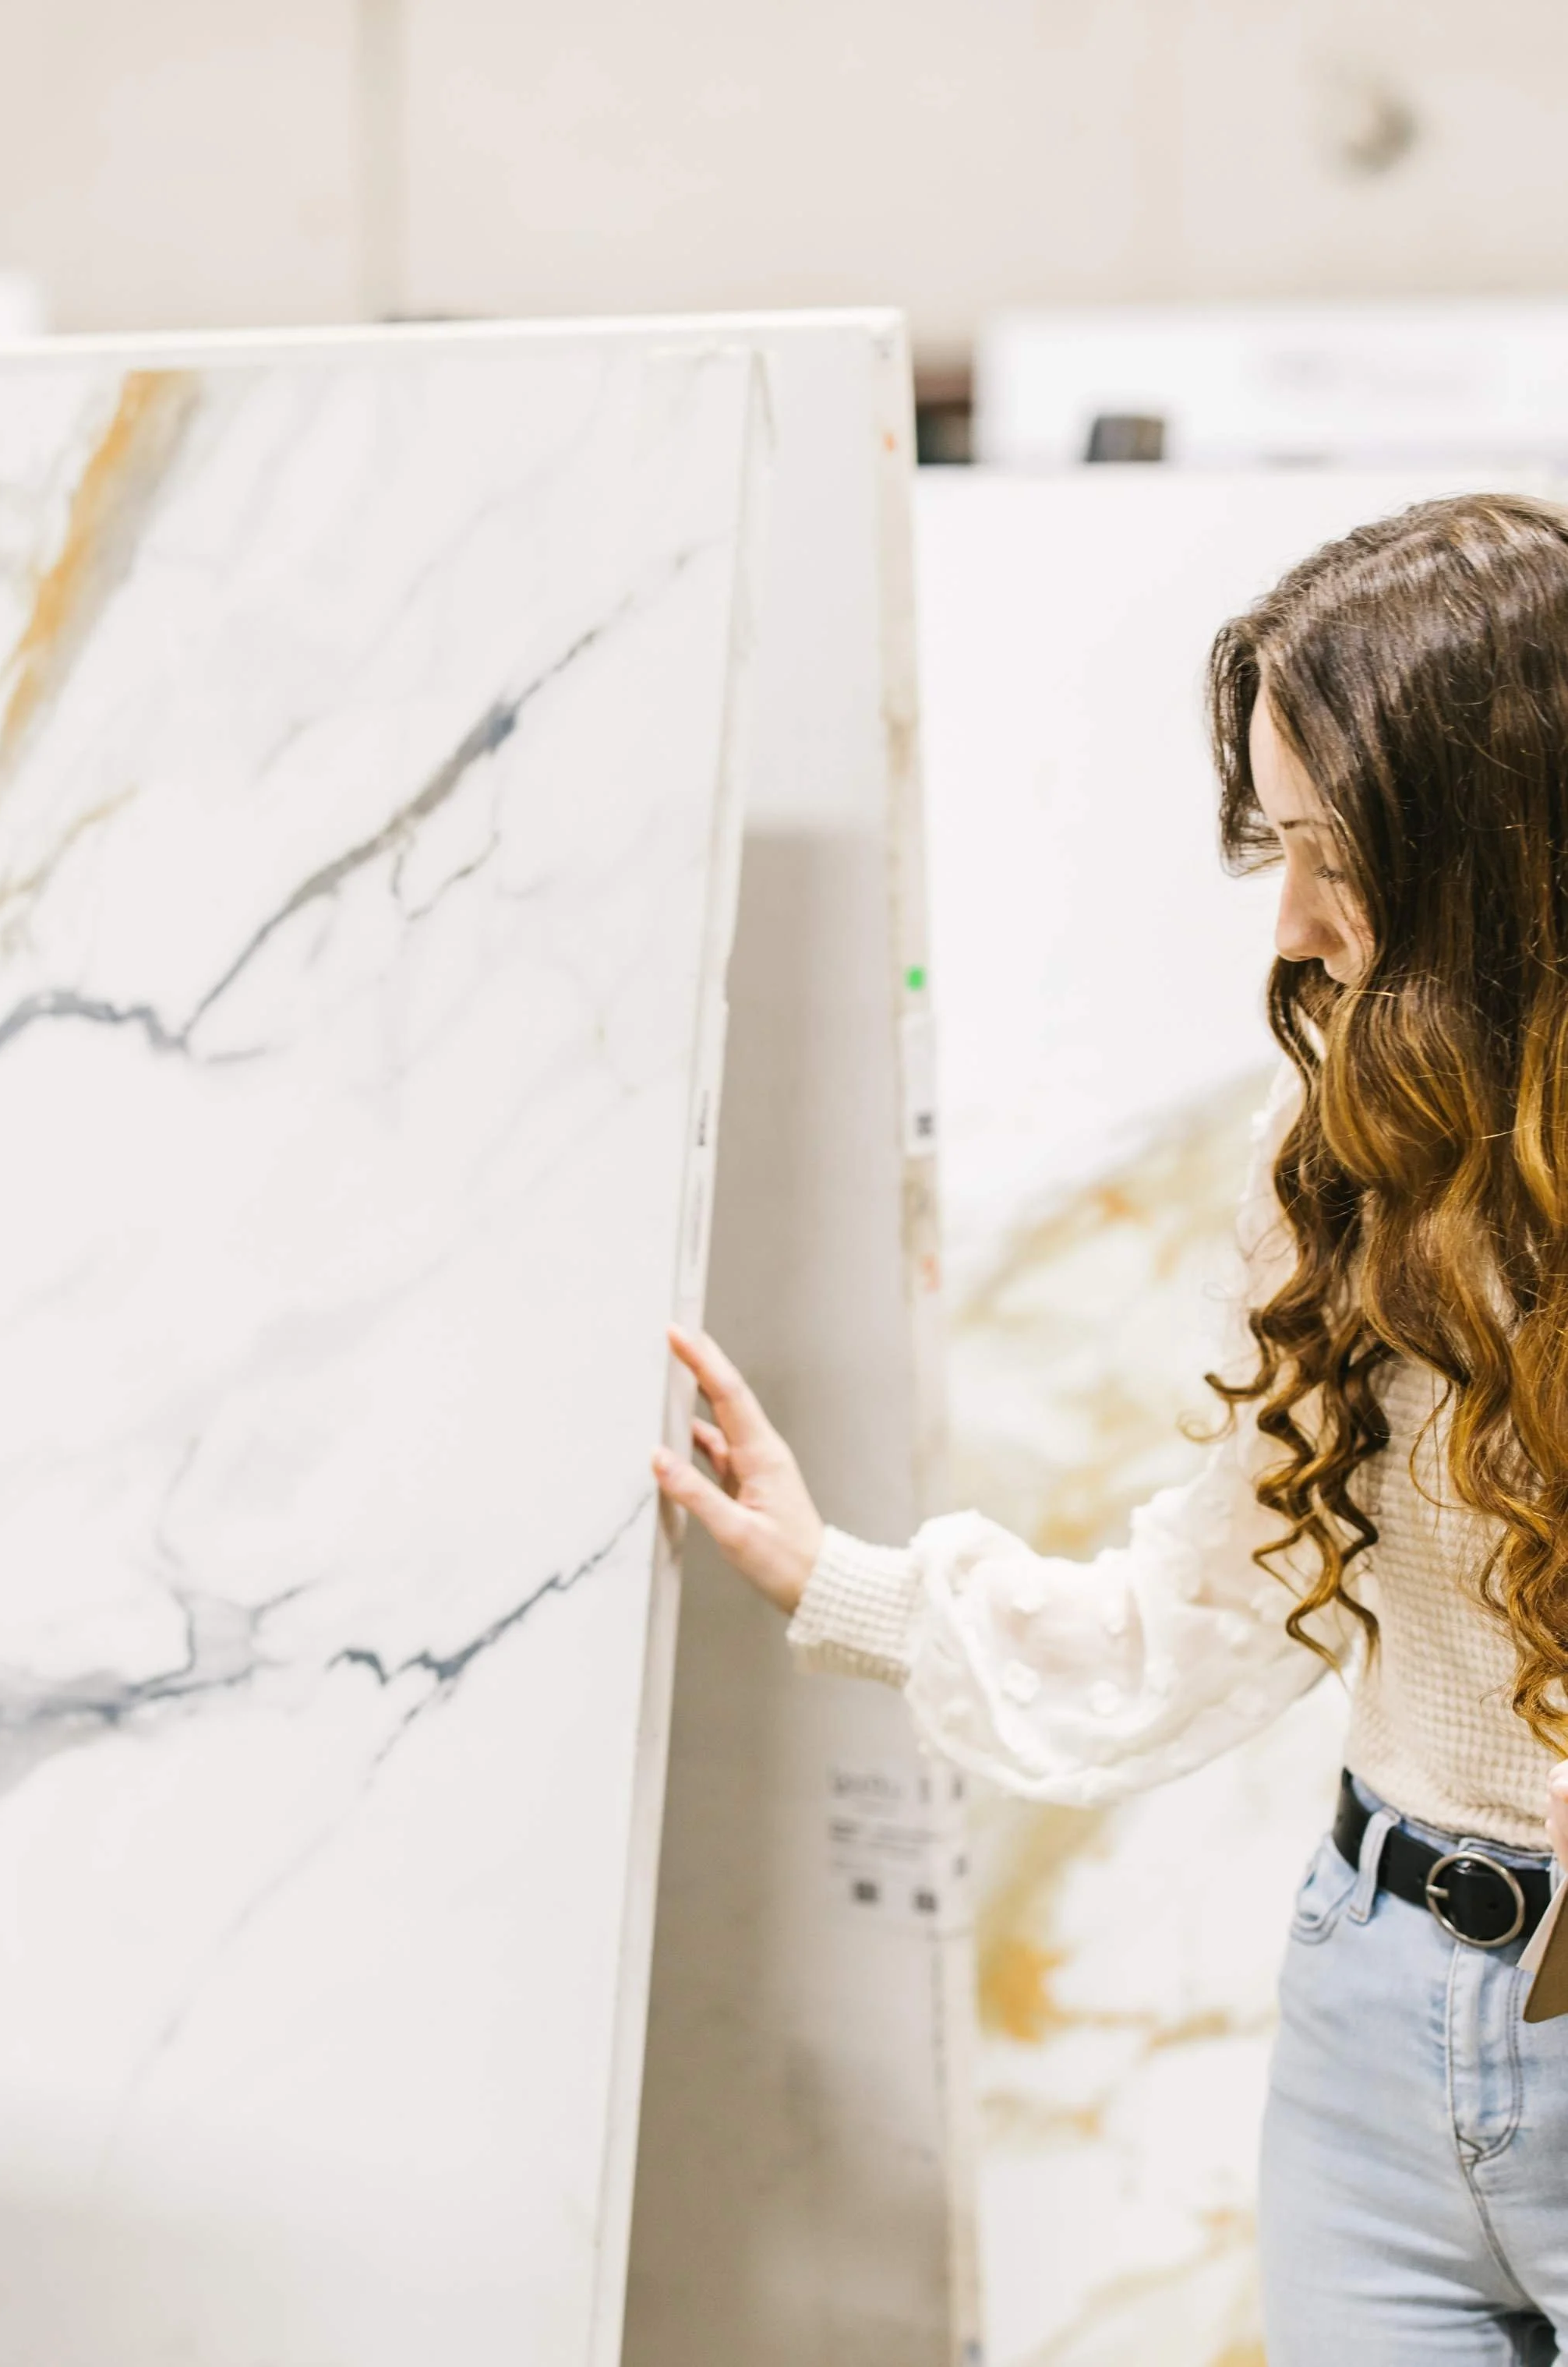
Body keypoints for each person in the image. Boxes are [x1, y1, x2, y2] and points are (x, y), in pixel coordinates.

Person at [654, 491, 1568, 2367]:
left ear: (1493, 850)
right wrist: (838, 1579)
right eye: (1278, 848)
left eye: (1336, 855)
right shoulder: (1338, 1159)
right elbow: (1211, 1602)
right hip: (1373, 2015)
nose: (1294, 923)